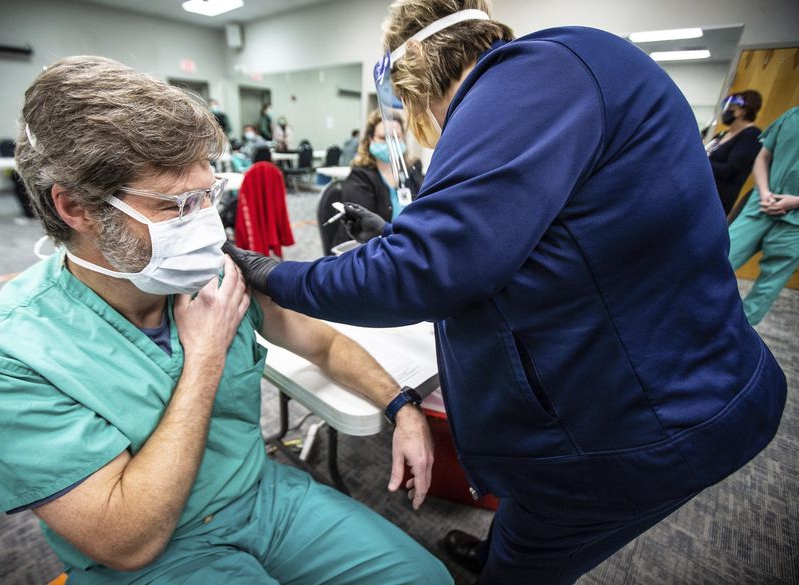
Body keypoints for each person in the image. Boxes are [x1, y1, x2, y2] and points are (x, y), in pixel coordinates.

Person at [224, 2, 787, 584]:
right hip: (660, 388)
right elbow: (525, 241)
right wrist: (398, 235)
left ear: (416, 70)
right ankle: (503, 550)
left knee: (528, 567)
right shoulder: (561, 74)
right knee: (527, 527)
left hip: (641, 429)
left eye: (416, 107)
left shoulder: (533, 76)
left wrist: (272, 274)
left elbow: (422, 272)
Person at [0, 56, 452, 585]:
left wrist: (402, 406)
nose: (207, 226)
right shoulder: (1, 361)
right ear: (77, 208)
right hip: (160, 551)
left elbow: (320, 345)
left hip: (261, 496)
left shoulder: (208, 273)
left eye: (209, 196)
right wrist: (204, 356)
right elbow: (127, 539)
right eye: (177, 205)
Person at [727, 106, 799, 325]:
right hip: (761, 202)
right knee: (721, 257)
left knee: (768, 284)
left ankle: (738, 331)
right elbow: (763, 158)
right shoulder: (791, 116)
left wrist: (795, 201)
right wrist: (765, 191)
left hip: (795, 220)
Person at [343, 110, 423, 221]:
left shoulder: (412, 170)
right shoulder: (360, 178)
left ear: (403, 138)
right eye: (382, 138)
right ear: (370, 139)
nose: (390, 144)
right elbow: (364, 229)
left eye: (395, 137)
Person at [705, 91, 763, 213]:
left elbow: (731, 170)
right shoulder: (722, 134)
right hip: (699, 189)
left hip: (716, 199)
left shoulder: (751, 135)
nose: (725, 111)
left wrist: (700, 162)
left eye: (731, 107)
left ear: (743, 111)